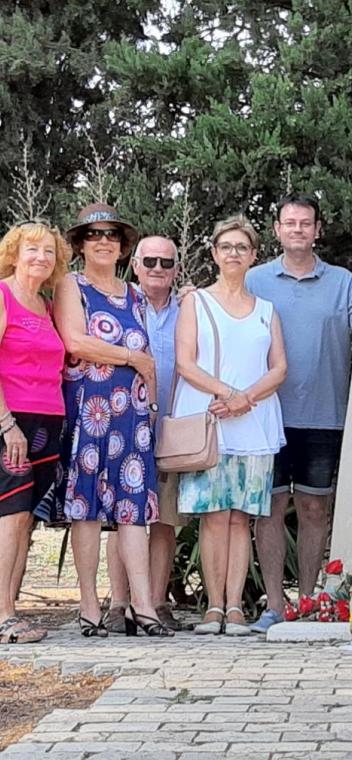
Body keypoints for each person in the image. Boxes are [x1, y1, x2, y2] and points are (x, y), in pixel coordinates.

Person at [246, 193, 352, 634]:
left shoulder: (345, 283)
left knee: (315, 508)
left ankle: (310, 601)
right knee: (269, 509)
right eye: (289, 222)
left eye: (305, 223)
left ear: (317, 229)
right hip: (265, 414)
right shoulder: (254, 281)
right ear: (276, 229)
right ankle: (275, 604)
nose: (297, 230)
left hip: (325, 414)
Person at [53, 204, 169, 637]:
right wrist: (129, 357)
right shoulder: (72, 285)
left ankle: (143, 606)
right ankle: (88, 607)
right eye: (94, 234)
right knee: (85, 509)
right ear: (81, 244)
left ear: (123, 247)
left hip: (133, 416)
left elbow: (151, 364)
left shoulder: (135, 294)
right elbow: (76, 341)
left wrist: (152, 407)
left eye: (113, 235)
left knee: (133, 510)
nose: (104, 241)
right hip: (90, 412)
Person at [173, 215, 286, 636]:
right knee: (213, 516)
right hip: (212, 423)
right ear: (214, 254)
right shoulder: (196, 302)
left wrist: (246, 399)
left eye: (242, 247)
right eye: (226, 247)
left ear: (254, 255)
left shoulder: (266, 311)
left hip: (254, 424)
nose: (234, 254)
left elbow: (280, 367)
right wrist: (227, 394)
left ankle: (236, 606)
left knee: (242, 518)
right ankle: (213, 607)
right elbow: (185, 362)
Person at [104, 236, 185, 632]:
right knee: (123, 516)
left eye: (166, 263)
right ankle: (119, 604)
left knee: (165, 519)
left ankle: (154, 601)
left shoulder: (190, 309)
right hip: (124, 423)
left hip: (171, 425)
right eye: (149, 260)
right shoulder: (119, 304)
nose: (157, 268)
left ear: (176, 270)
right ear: (134, 264)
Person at [0, 221, 69, 644]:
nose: (41, 257)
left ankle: (11, 610)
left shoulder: (45, 305)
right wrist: (7, 425)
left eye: (48, 252)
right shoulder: (3, 295)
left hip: (48, 422)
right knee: (9, 516)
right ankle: (3, 614)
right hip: (13, 423)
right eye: (32, 249)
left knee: (25, 520)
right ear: (15, 253)